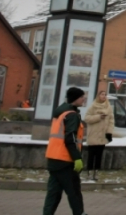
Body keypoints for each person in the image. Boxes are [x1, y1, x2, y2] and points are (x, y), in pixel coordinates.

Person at [43, 87, 87, 215]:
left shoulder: (60, 113)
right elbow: (70, 138)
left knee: (53, 193)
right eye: (81, 97)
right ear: (75, 99)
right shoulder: (72, 115)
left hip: (53, 158)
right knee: (74, 192)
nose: (83, 99)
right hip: (65, 159)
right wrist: (77, 158)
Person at [84, 89, 114, 182]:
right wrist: (98, 117)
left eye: (105, 94)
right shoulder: (93, 106)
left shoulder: (108, 107)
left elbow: (111, 121)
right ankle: (89, 172)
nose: (103, 96)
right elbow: (87, 118)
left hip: (102, 135)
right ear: (98, 96)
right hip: (93, 134)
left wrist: (109, 132)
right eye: (102, 94)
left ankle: (96, 172)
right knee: (91, 155)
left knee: (99, 155)